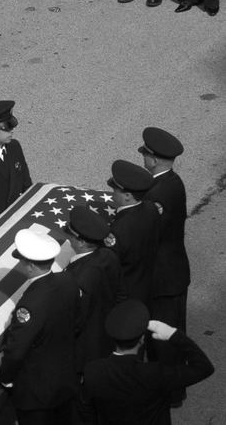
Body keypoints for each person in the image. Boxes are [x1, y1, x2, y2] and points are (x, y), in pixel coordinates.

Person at [83, 299, 215, 425]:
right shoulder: (156, 374)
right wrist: (173, 334)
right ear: (142, 339)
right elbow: (204, 367)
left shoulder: (93, 372)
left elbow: (86, 414)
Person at [0, 228, 79, 425]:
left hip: (36, 392)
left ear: (31, 266)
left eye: (21, 261)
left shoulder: (31, 303)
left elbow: (17, 349)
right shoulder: (67, 281)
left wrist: (6, 378)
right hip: (65, 379)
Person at [139, 127, 190, 405]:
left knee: (164, 338)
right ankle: (175, 387)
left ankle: (169, 393)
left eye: (145, 153)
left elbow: (147, 235)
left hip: (162, 279)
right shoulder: (173, 182)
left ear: (155, 159)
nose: (143, 157)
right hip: (174, 273)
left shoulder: (157, 195)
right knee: (173, 334)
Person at [64, 206, 123, 366]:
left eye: (71, 236)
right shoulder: (108, 255)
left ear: (82, 242)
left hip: (85, 348)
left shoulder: (79, 277)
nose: (69, 239)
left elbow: (76, 319)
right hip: (106, 333)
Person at [108, 159, 160, 303]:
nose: (113, 194)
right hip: (148, 283)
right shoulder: (151, 208)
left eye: (115, 190)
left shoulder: (118, 230)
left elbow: (111, 266)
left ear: (127, 196)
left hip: (126, 294)